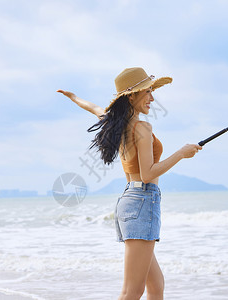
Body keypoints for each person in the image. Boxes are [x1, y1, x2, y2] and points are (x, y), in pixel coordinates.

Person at [57, 67, 202, 300]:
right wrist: (181, 153)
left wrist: (73, 97)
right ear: (131, 96)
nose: (152, 98)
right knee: (132, 291)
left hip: (132, 202)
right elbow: (147, 174)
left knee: (156, 286)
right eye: (147, 92)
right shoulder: (142, 127)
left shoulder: (114, 122)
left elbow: (92, 107)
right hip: (143, 201)